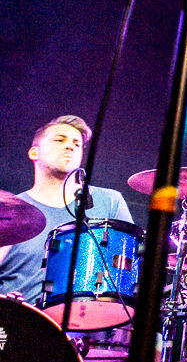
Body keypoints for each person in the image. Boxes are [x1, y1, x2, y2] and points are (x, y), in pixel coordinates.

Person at [0, 115, 133, 304]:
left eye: (77, 144)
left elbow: (129, 270)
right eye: (60, 140)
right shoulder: (8, 212)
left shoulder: (110, 202)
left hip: (92, 319)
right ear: (34, 153)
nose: (70, 146)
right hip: (20, 319)